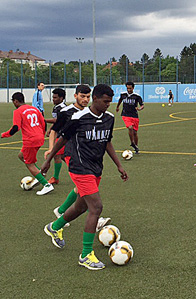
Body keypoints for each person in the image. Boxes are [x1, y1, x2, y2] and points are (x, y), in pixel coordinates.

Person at [42, 84, 128, 271]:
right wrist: (48, 160)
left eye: (110, 101)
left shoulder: (109, 118)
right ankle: (86, 254)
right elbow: (62, 139)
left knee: (81, 205)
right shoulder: (78, 118)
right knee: (96, 207)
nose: (108, 104)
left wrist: (119, 165)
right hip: (79, 167)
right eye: (105, 101)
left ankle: (54, 227)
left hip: (96, 167)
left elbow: (107, 142)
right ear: (94, 99)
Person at [46, 85, 111, 230]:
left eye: (88, 96)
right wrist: (50, 149)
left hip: (87, 155)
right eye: (83, 96)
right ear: (75, 96)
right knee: (86, 186)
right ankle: (95, 217)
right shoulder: (67, 112)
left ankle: (62, 211)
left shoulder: (94, 112)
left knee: (82, 188)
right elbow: (54, 131)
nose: (85, 99)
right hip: (71, 153)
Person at [1, 92, 54, 196]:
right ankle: (39, 175)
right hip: (39, 138)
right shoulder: (34, 109)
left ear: (15, 101)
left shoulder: (18, 111)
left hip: (30, 140)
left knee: (29, 163)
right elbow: (43, 123)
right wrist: (41, 134)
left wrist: (5, 134)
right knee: (21, 156)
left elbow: (15, 128)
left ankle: (46, 185)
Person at [44, 88, 67, 184]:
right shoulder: (57, 106)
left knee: (57, 155)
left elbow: (56, 120)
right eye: (53, 97)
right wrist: (51, 130)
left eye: (55, 97)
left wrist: (43, 120)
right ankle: (79, 171)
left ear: (61, 98)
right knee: (62, 156)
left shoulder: (61, 108)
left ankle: (55, 177)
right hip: (60, 133)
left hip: (63, 135)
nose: (53, 99)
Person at [116, 81, 144, 153]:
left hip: (134, 115)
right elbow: (120, 100)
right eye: (127, 88)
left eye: (130, 88)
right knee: (130, 128)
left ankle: (136, 147)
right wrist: (117, 107)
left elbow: (142, 105)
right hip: (125, 115)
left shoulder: (137, 97)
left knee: (135, 132)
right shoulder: (123, 95)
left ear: (133, 88)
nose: (129, 90)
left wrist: (139, 108)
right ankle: (132, 142)